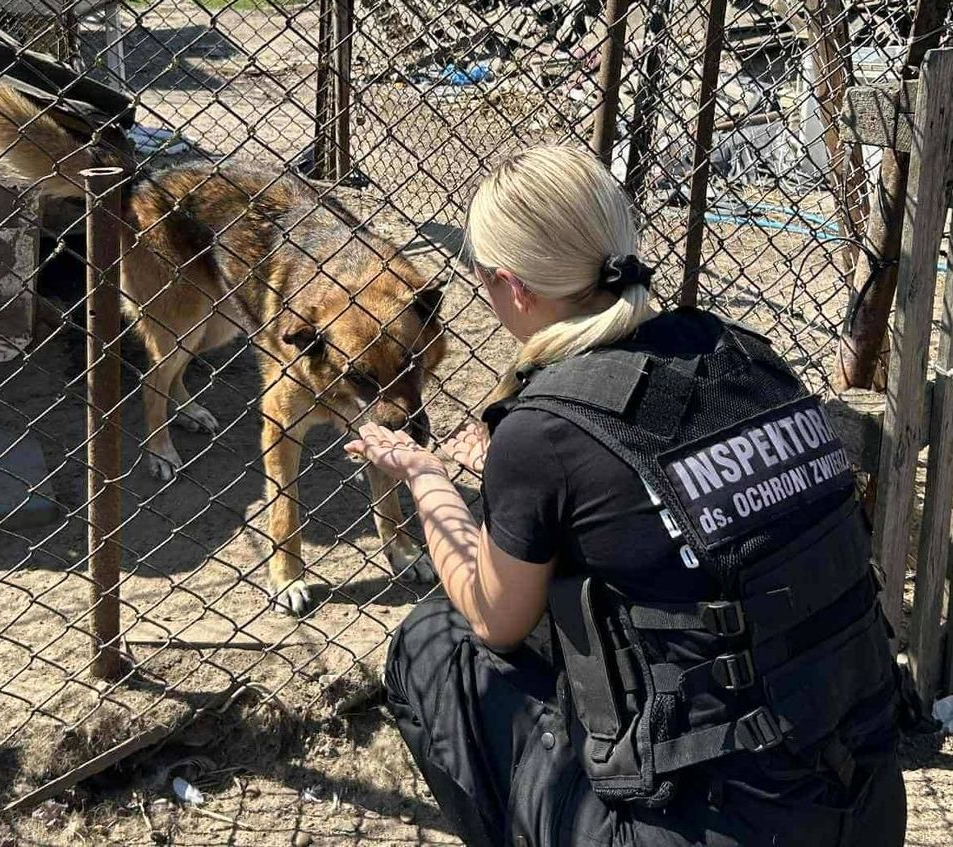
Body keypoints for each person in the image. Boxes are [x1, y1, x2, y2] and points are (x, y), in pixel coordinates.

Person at [344, 145, 908, 847]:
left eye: (482, 280)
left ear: (512, 286)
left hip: (718, 830)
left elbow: (495, 619)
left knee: (433, 644)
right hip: (865, 796)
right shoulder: (741, 352)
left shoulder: (543, 430)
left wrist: (426, 477)